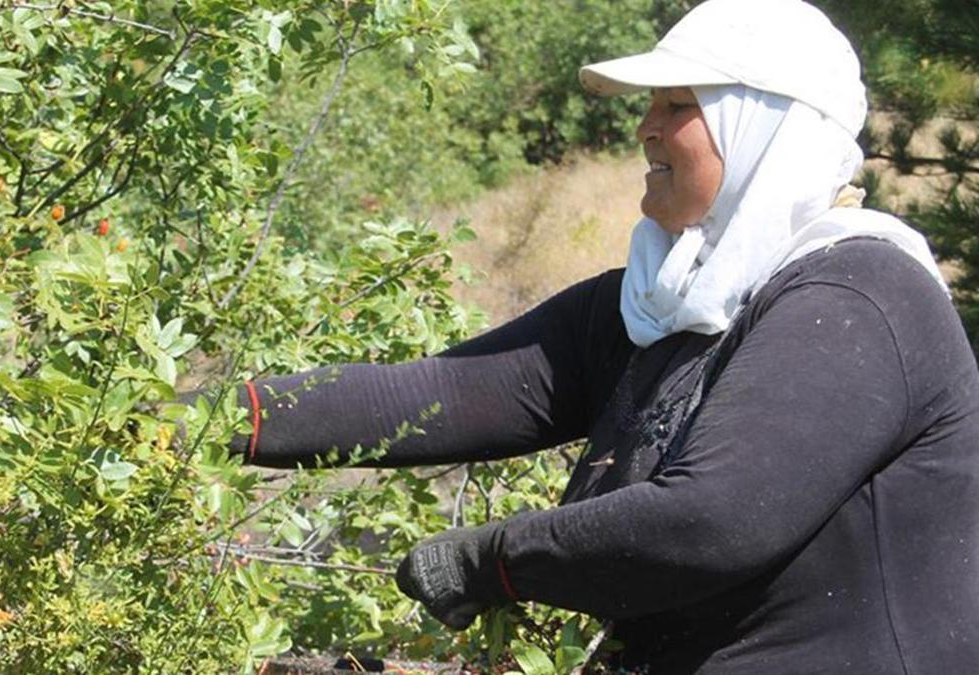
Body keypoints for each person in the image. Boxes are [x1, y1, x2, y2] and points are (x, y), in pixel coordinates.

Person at [209, 1, 979, 672]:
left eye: (676, 104)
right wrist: (206, 423)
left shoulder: (859, 296)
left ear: (761, 129)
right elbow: (442, 392)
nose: (644, 127)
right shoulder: (664, 303)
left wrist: (494, 561)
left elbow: (712, 521)